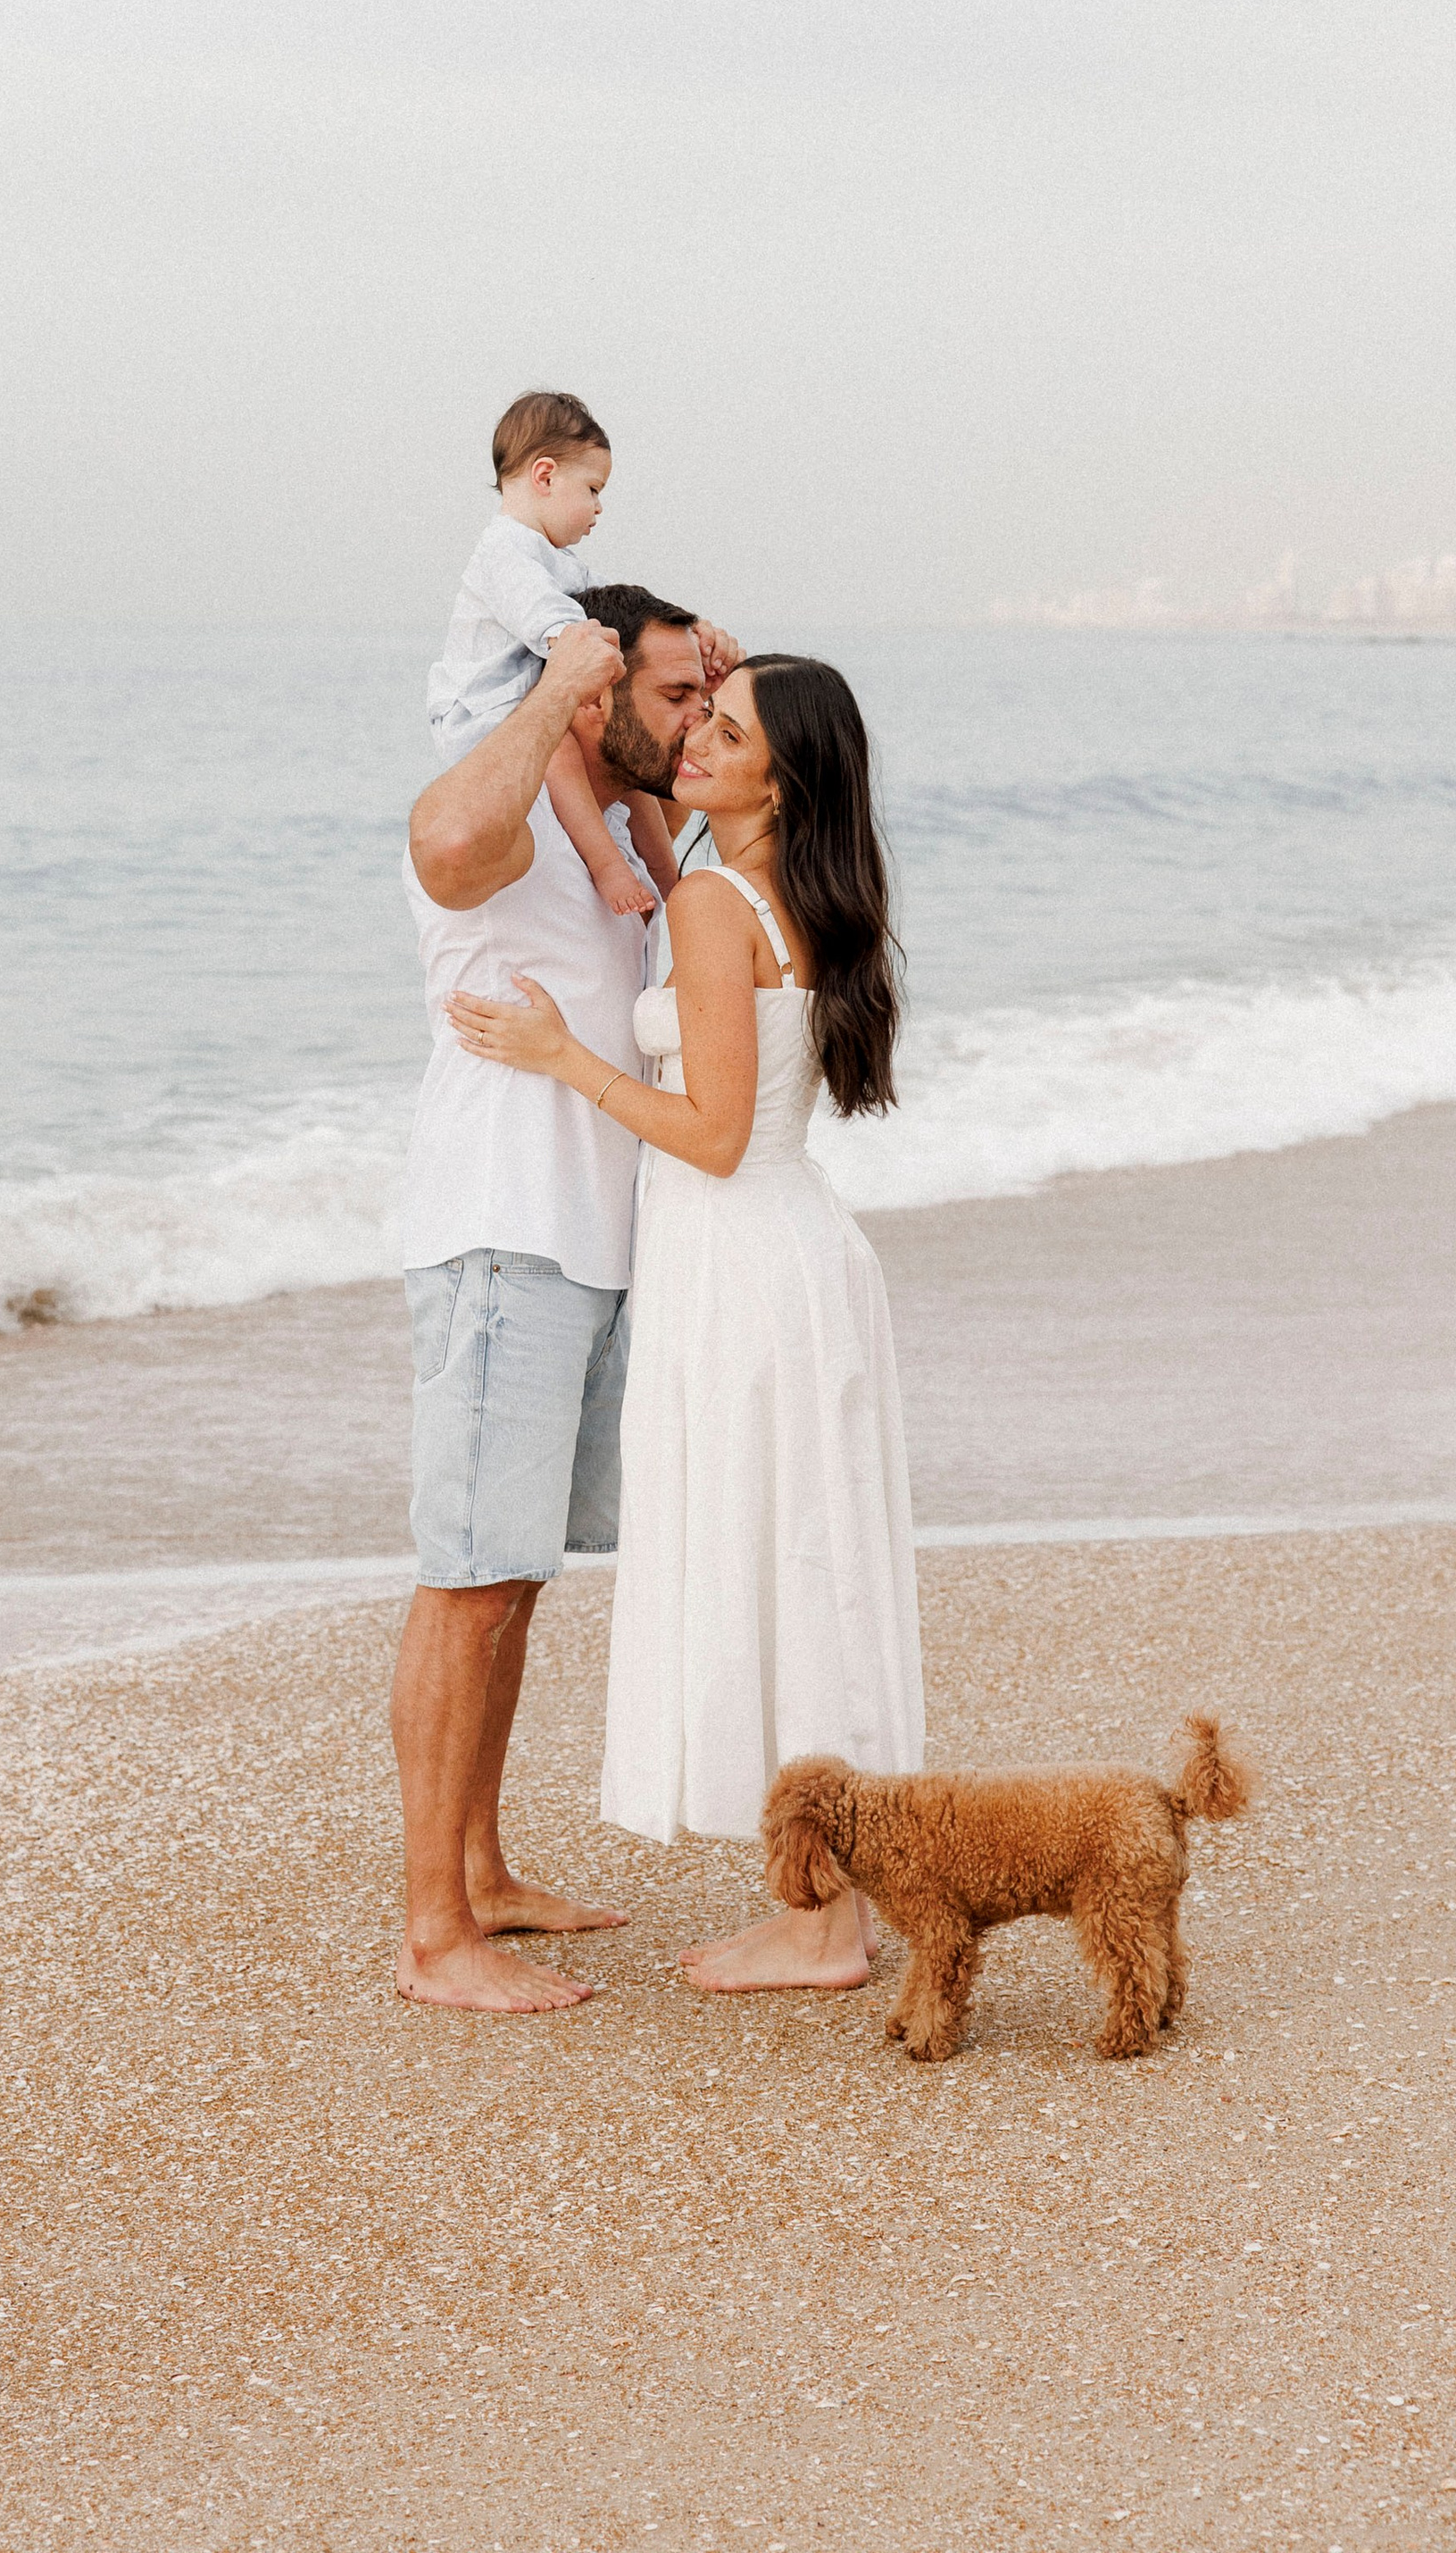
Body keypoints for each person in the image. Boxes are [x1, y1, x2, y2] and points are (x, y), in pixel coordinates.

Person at [445, 654, 924, 1994]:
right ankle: (830, 1902)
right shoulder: (797, 892)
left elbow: (711, 1134)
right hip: (793, 1250)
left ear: (784, 779)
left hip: (743, 1261)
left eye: (730, 733)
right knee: (805, 1567)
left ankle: (821, 1921)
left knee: (775, 1565)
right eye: (701, 714)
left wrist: (564, 1059)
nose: (698, 741)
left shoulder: (716, 904)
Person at [391, 585, 737, 2013]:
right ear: (594, 695)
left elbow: (739, 837)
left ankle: (479, 1872)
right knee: (468, 1580)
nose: (695, 719)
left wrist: (718, 683)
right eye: (673, 697)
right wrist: (553, 693)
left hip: (589, 1245)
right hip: (503, 1235)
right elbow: (438, 844)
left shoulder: (619, 831)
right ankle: (432, 1936)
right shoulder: (514, 806)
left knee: (514, 1576)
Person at [427, 389, 682, 921]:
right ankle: (606, 864)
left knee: (625, 762)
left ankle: (670, 882)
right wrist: (574, 643)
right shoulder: (503, 549)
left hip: (529, 704)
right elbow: (545, 617)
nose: (599, 507)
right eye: (593, 489)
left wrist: (684, 634)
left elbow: (618, 608)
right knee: (563, 746)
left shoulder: (558, 559)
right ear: (545, 476)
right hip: (484, 716)